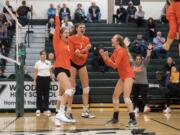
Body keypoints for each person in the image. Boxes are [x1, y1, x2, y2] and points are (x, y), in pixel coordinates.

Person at [99, 34, 137, 126]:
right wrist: (104, 56)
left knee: (126, 97)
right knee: (115, 96)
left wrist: (107, 58)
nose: (111, 39)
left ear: (118, 41)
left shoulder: (122, 51)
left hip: (128, 75)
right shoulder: (115, 51)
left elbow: (115, 65)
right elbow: (109, 64)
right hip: (123, 76)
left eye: (113, 38)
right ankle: (115, 118)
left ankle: (133, 119)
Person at [53, 5, 75, 126]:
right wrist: (57, 12)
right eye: (65, 32)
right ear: (60, 34)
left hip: (67, 70)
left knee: (62, 94)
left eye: (68, 32)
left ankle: (57, 116)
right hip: (59, 69)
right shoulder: (57, 41)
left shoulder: (68, 45)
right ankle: (61, 112)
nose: (67, 34)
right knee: (69, 90)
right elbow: (57, 26)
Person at [68, 23, 95, 119]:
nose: (82, 29)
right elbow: (72, 54)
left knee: (86, 88)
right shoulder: (71, 38)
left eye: (84, 27)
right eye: (81, 27)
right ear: (76, 29)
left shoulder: (86, 39)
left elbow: (85, 55)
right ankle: (69, 111)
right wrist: (84, 50)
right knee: (71, 88)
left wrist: (80, 53)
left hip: (82, 63)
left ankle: (85, 111)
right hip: (72, 64)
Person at [132, 44, 153, 113]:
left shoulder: (144, 64)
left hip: (143, 84)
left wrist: (149, 49)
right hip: (135, 84)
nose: (138, 60)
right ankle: (136, 108)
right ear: (135, 59)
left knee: (144, 96)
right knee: (135, 97)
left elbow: (148, 56)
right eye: (137, 59)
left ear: (141, 59)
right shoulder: (133, 63)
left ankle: (146, 107)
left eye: (139, 59)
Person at [33, 50, 52, 117]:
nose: (44, 56)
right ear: (40, 55)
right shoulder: (37, 63)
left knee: (46, 94)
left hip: (47, 79)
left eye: (45, 54)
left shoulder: (48, 62)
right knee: (39, 94)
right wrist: (34, 80)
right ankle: (38, 108)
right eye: (43, 54)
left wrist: (52, 77)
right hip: (40, 78)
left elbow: (50, 71)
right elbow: (35, 72)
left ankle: (46, 108)